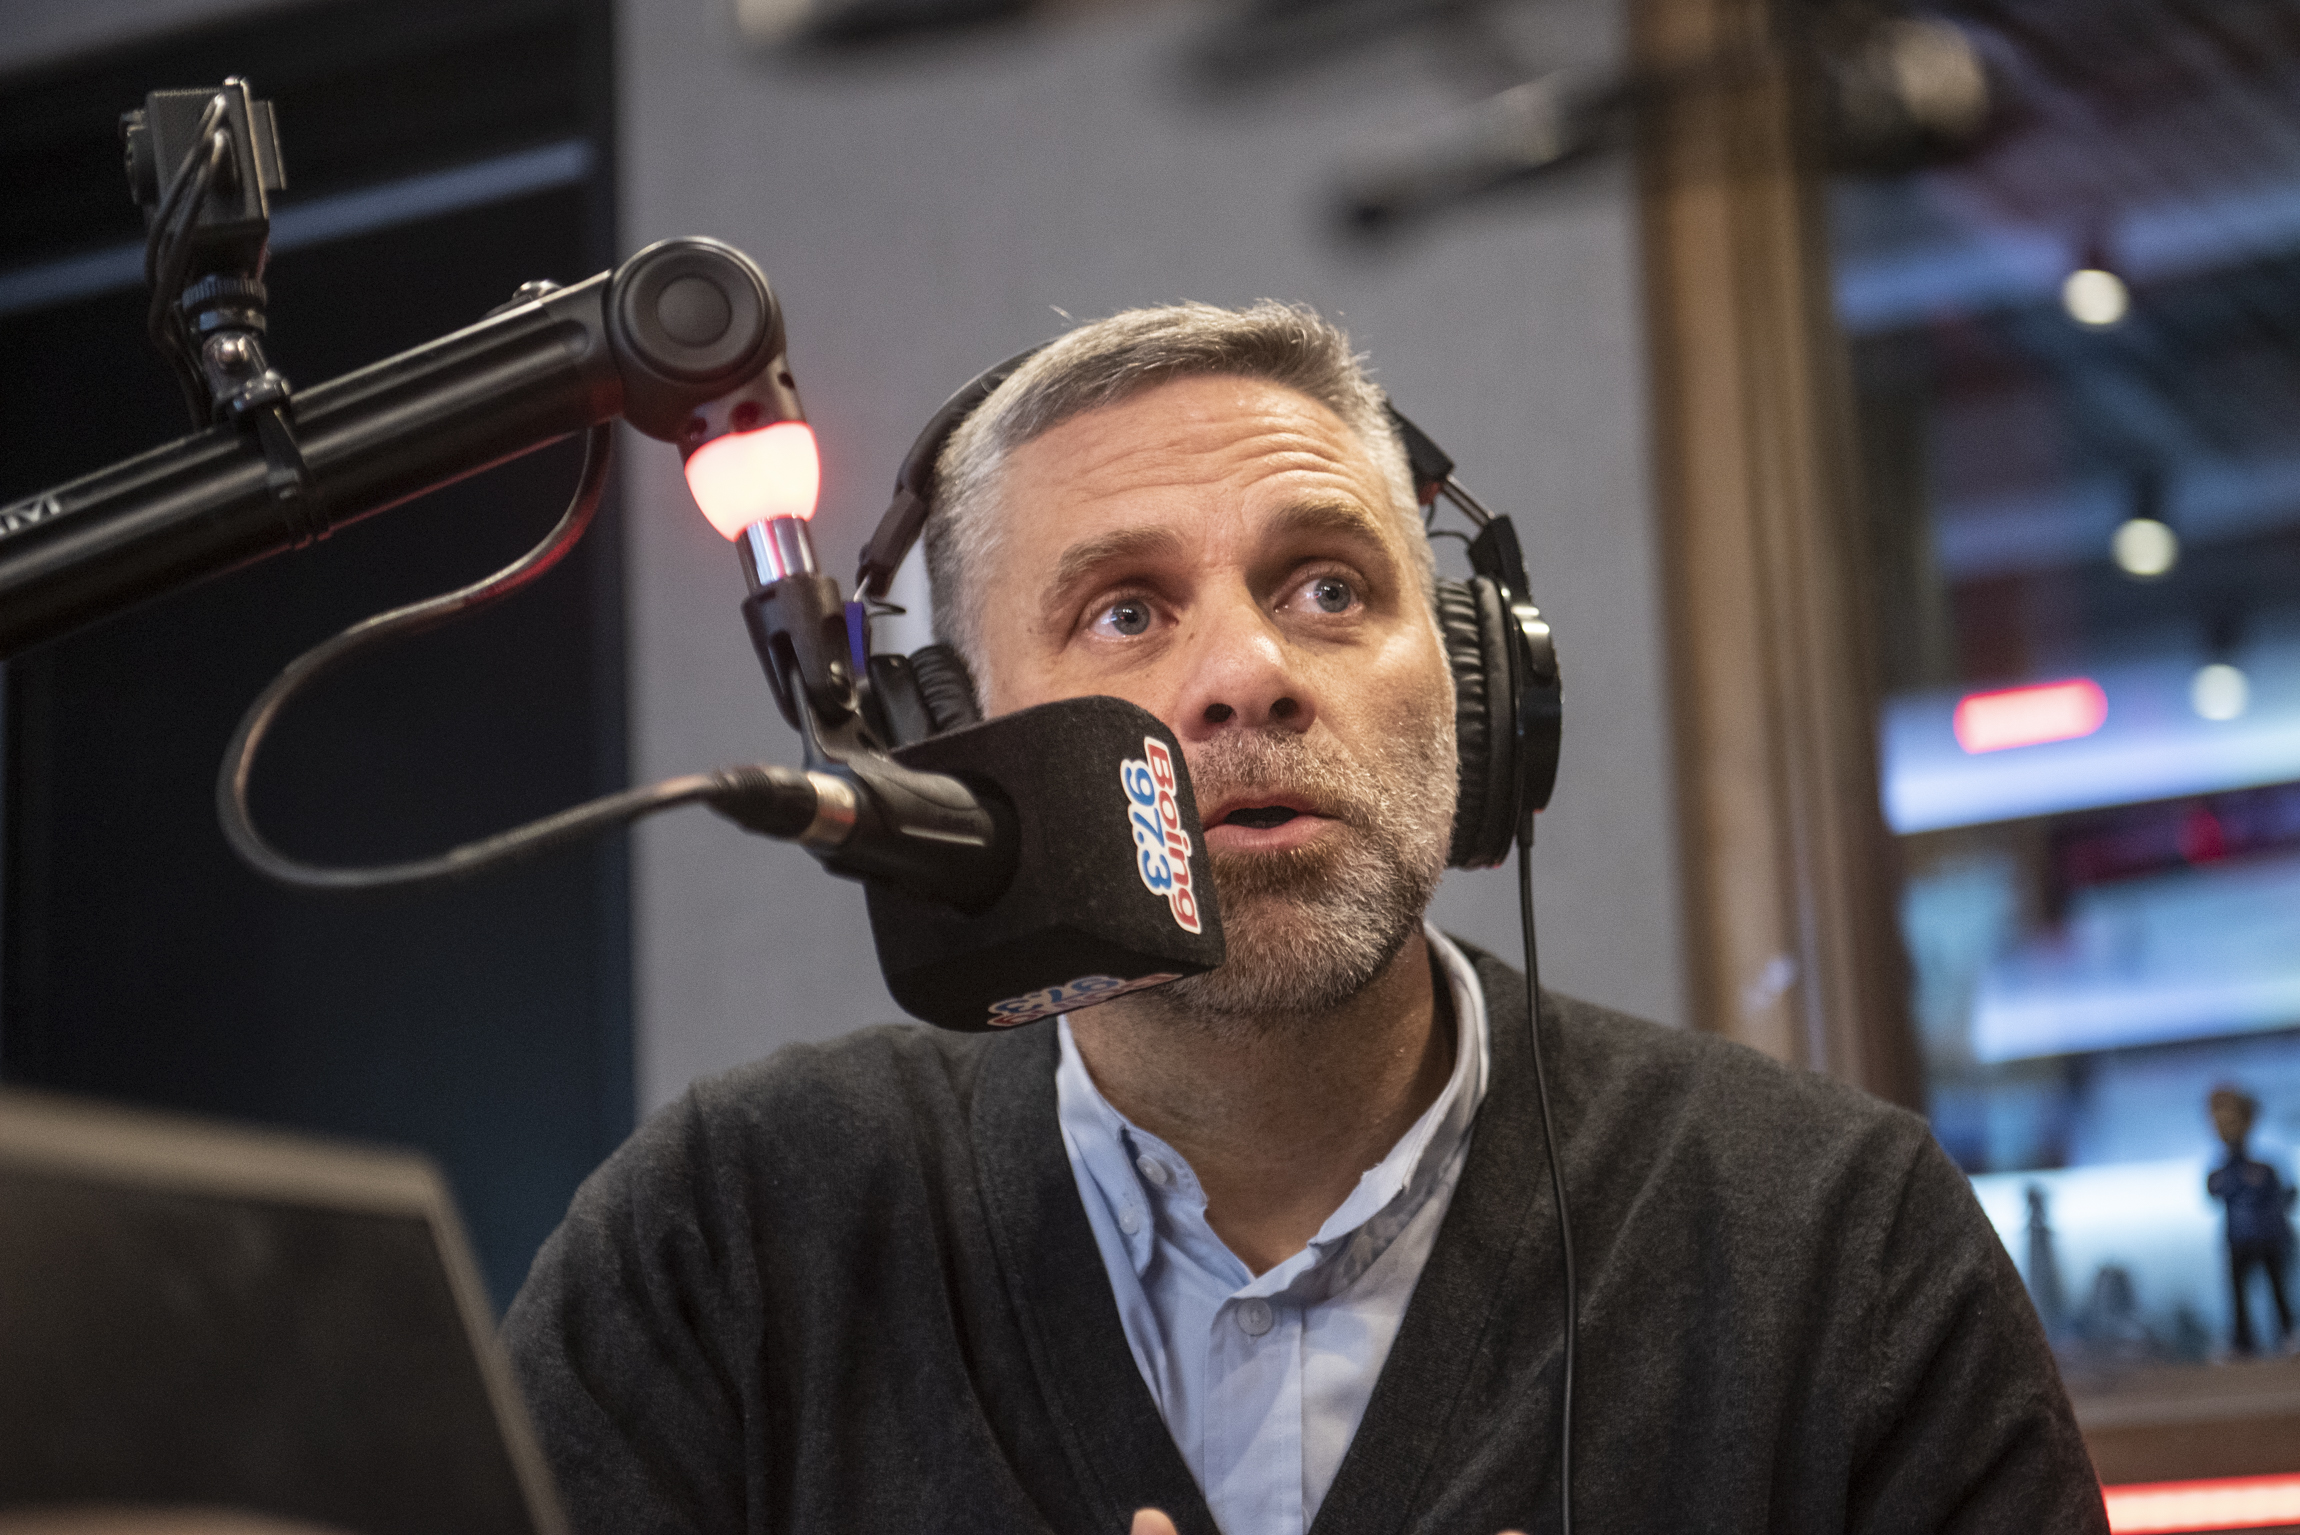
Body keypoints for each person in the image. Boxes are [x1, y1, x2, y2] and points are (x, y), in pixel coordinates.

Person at [503, 302, 2106, 1534]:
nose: (1249, 673)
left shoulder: (1839, 1242)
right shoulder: (722, 1239)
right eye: (1126, 609)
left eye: (1329, 587)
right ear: (949, 744)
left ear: (1476, 686)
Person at [2207, 1085, 2295, 1355]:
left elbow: (2286, 1195)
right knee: (2238, 1295)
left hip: (2269, 1238)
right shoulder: (2225, 1169)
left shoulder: (2265, 1167)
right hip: (2239, 1241)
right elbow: (2213, 1190)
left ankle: (2286, 1332)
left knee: (2277, 1289)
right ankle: (2242, 1339)